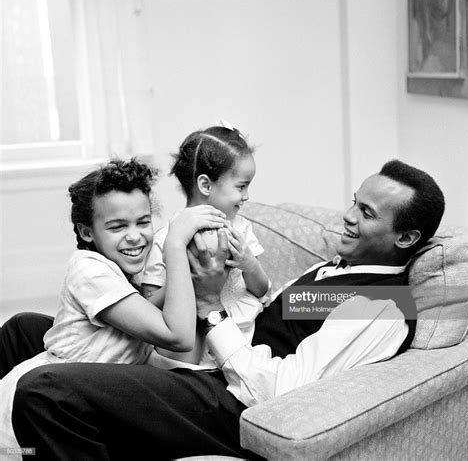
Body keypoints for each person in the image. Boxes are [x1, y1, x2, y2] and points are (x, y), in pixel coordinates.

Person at [3, 160, 444, 460]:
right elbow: (279, 309)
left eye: (365, 213)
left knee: (46, 390)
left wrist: (212, 309)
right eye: (353, 200)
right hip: (217, 360)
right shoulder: (341, 271)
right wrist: (228, 281)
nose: (347, 215)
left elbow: (281, 391)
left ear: (404, 238)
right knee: (23, 328)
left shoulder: (380, 307)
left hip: (234, 401)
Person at [0, 158, 227, 450]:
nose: (135, 236)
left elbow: (150, 309)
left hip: (85, 397)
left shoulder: (114, 268)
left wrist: (194, 277)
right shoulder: (88, 269)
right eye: (117, 226)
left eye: (143, 222)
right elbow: (178, 336)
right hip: (47, 406)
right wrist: (175, 246)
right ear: (86, 232)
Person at [138, 124, 271, 367]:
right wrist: (184, 280)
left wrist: (249, 264)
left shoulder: (240, 228)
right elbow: (147, 308)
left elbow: (262, 290)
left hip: (238, 340)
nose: (247, 195)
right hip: (187, 354)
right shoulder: (168, 239)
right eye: (241, 186)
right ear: (206, 185)